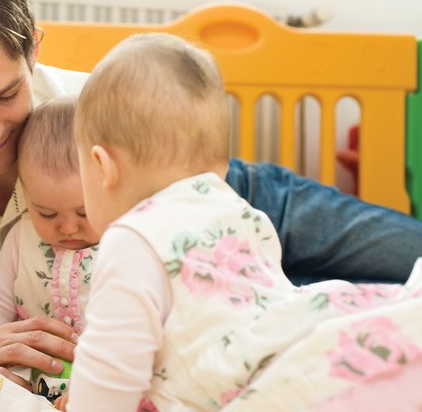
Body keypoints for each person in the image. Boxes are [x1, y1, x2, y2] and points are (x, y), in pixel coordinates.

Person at [0, 0, 422, 386]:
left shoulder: (102, 105)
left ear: (34, 51)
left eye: (7, 95)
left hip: (247, 202)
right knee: (356, 328)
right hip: (194, 297)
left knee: (408, 255)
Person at [63, 32, 422, 411]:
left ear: (102, 166)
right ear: (222, 167)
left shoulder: (131, 237)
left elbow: (107, 382)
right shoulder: (241, 212)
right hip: (326, 354)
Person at [0, 97, 100, 340]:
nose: (68, 228)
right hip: (34, 371)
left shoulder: (125, 241)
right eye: (47, 213)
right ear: (25, 196)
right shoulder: (21, 238)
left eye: (84, 212)